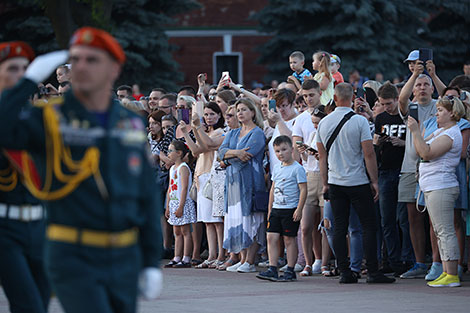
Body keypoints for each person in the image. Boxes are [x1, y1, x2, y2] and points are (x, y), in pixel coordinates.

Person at [0, 27, 163, 313]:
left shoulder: (130, 123)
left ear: (114, 69)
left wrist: (151, 259)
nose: (81, 67)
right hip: (72, 253)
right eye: (75, 60)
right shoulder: (51, 117)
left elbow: (145, 193)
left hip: (124, 254)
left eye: (92, 60)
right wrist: (27, 82)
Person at [316, 83, 395, 284]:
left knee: (340, 228)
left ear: (334, 97)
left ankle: (345, 271)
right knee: (368, 226)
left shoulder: (324, 123)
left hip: (335, 181)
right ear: (352, 98)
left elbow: (322, 158)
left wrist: (325, 183)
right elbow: (368, 153)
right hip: (358, 180)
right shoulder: (359, 122)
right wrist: (374, 181)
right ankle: (372, 271)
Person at [0, 40, 51, 313]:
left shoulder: (35, 116)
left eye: (25, 69)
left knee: (39, 304)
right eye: (12, 68)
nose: (21, 75)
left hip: (37, 224)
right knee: (28, 304)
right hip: (4, 227)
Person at [408, 96, 466, 287]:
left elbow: (426, 153)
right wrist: (417, 135)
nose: (436, 113)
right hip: (433, 186)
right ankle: (447, 270)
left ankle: (452, 274)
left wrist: (416, 131)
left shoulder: (451, 134)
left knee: (445, 231)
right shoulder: (442, 131)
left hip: (441, 186)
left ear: (451, 113)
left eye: (441, 110)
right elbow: (419, 149)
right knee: (441, 231)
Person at [218, 98, 267, 273]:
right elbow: (220, 153)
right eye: (238, 110)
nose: (240, 113)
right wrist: (236, 153)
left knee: (251, 220)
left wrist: (230, 156)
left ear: (253, 112)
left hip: (251, 183)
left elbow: (247, 157)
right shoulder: (232, 132)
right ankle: (243, 258)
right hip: (232, 185)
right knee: (238, 220)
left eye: (244, 109)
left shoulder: (257, 133)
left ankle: (250, 261)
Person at [398, 71, 437, 279]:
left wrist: (434, 74)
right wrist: (413, 75)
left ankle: (438, 263)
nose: (422, 87)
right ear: (413, 89)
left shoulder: (440, 106)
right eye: (418, 85)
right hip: (409, 168)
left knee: (434, 218)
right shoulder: (411, 108)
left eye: (425, 84)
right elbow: (402, 99)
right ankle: (420, 262)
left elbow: (454, 98)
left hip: (433, 166)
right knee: (413, 218)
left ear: (432, 89)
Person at [181, 102, 226, 269]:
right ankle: (212, 254)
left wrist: (197, 128)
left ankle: (221, 254)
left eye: (212, 114)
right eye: (206, 114)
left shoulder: (221, 132)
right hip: (201, 176)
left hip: (213, 176)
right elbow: (195, 151)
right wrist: (187, 132)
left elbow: (208, 144)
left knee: (216, 220)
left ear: (219, 116)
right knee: (207, 220)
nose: (208, 117)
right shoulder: (205, 131)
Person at [256, 135, 307, 282]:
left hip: (290, 208)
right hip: (277, 208)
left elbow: (303, 189)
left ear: (291, 150)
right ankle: (272, 268)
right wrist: (270, 208)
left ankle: (290, 269)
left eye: (284, 150)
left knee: (289, 239)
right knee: (271, 237)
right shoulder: (277, 168)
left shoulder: (297, 168)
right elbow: (273, 189)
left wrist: (299, 208)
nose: (281, 154)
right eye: (277, 151)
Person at [373, 82, 408, 276]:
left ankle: (408, 258)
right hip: (385, 170)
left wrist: (403, 143)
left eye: (389, 103)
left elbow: (416, 141)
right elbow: (376, 145)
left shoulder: (406, 116)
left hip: (403, 169)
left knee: (404, 219)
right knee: (387, 220)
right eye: (383, 104)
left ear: (397, 99)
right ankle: (392, 260)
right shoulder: (381, 118)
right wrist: (378, 143)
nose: (386, 107)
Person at [293, 79, 323, 275]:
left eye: (311, 95)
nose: (308, 99)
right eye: (304, 96)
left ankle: (325, 261)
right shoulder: (301, 118)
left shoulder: (328, 114)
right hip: (309, 173)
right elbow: (296, 144)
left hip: (327, 172)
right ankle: (309, 261)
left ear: (319, 92)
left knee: (327, 223)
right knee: (306, 225)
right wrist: (302, 150)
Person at [164, 140, 197, 268]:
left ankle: (186, 257)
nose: (168, 153)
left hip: (182, 202)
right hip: (173, 203)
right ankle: (177, 256)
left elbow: (184, 188)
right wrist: (168, 205)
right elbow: (170, 188)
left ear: (179, 153)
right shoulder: (172, 168)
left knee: (185, 231)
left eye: (170, 151)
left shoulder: (183, 168)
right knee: (176, 232)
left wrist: (181, 206)